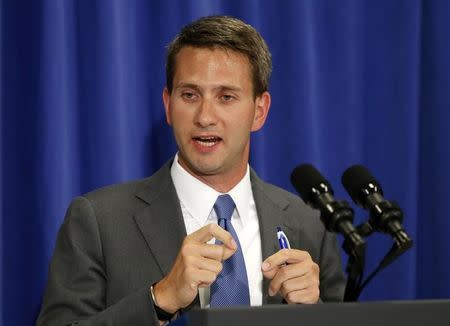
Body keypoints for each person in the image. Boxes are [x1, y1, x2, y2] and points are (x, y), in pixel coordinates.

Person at [36, 15, 345, 326]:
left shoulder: (307, 226)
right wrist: (159, 300)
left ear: (259, 111)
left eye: (226, 97)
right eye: (189, 95)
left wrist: (314, 312)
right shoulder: (98, 221)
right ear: (168, 105)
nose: (205, 116)